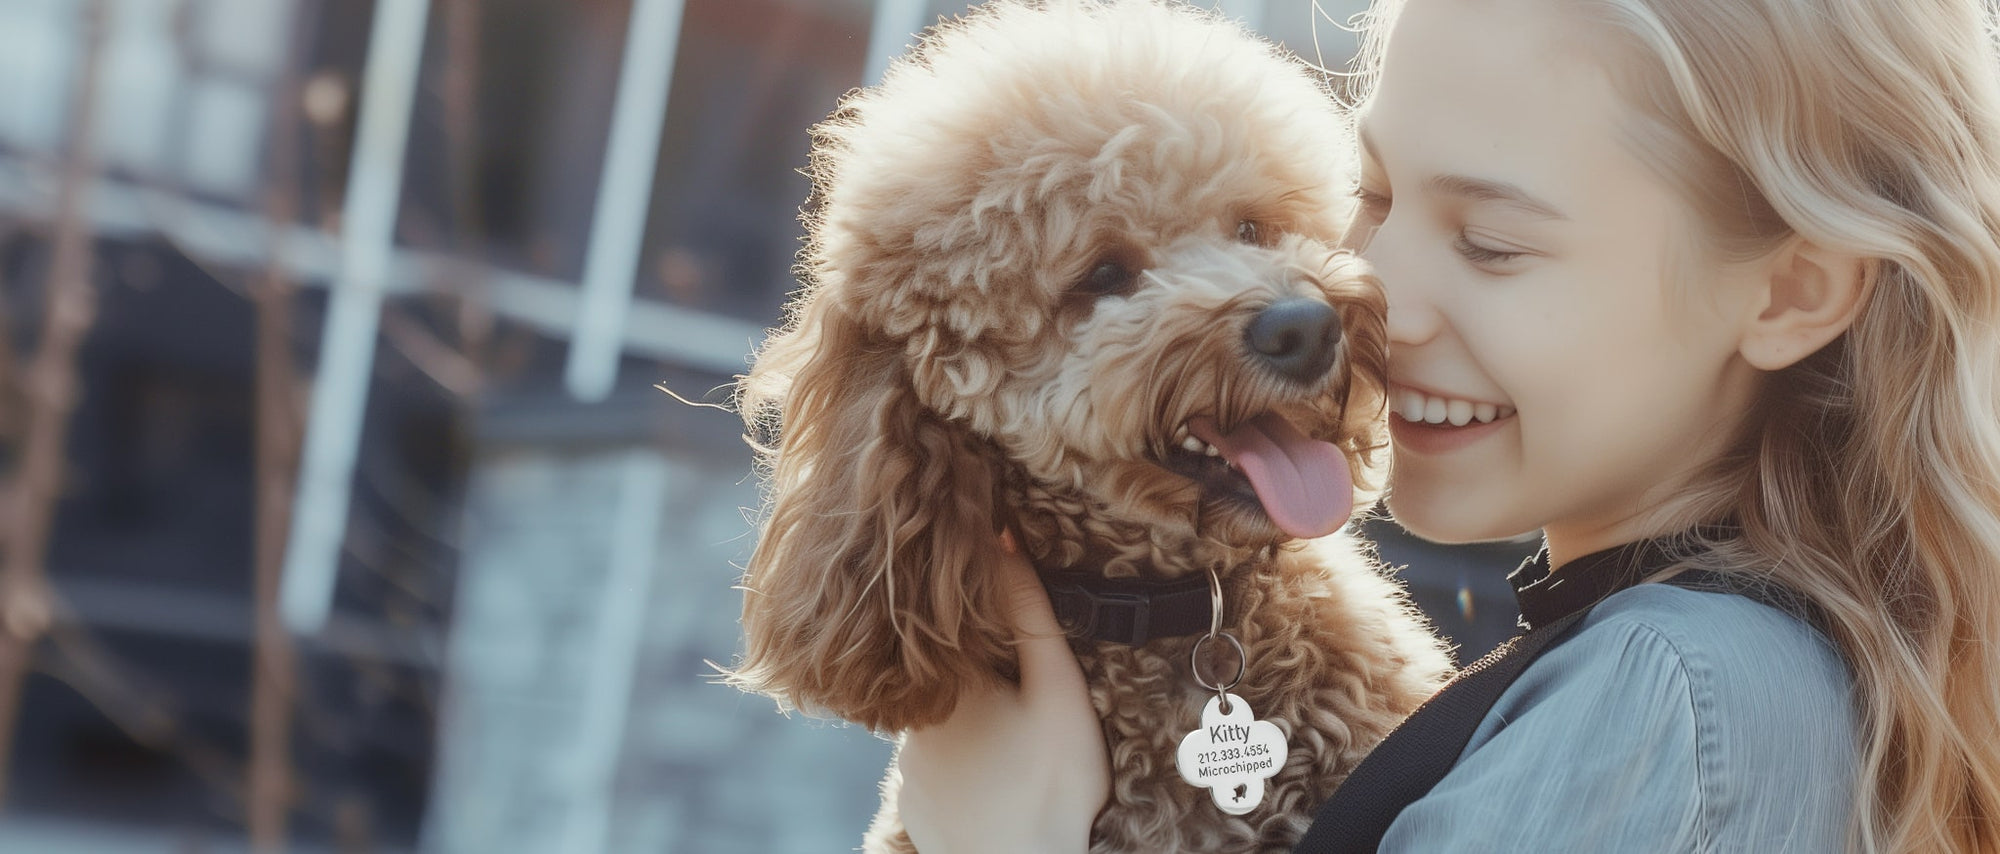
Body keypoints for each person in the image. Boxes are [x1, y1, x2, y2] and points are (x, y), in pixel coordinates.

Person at [894, 0, 2000, 850]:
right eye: (1369, 195)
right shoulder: (1706, 662)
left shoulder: (1660, 697)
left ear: (1790, 292)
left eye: (1491, 243)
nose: (1366, 294)